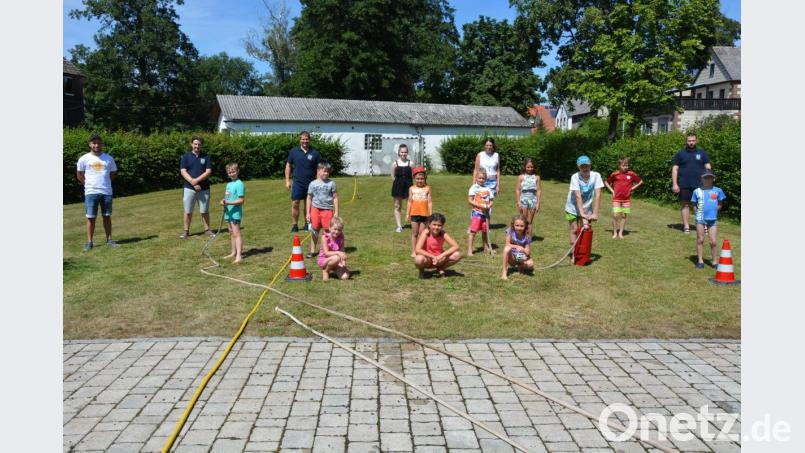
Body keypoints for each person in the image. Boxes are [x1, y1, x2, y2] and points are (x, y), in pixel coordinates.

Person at [76, 134, 119, 251]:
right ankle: (89, 242)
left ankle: (109, 240)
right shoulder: (84, 158)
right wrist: (88, 185)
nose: (96, 145)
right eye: (94, 143)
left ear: (102, 144)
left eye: (98, 143)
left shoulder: (109, 158)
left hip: (106, 192)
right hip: (91, 192)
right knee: (91, 218)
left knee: (107, 216)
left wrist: (105, 184)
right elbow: (79, 174)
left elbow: (113, 173)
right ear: (90, 144)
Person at [672, 132, 712, 234]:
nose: (691, 142)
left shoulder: (702, 153)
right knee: (685, 205)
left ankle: (704, 226)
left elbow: (708, 167)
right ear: (686, 141)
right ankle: (686, 226)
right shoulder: (680, 153)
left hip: (700, 185)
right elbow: (675, 169)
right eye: (689, 141)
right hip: (684, 184)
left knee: (700, 205)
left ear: (696, 141)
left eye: (693, 140)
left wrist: (708, 181)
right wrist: (675, 184)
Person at [286, 131, 322, 233]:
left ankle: (307, 224)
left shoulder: (315, 153)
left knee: (308, 204)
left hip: (311, 183)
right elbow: (288, 166)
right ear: (300, 140)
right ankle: (294, 225)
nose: (304, 141)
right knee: (295, 203)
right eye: (302, 139)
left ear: (309, 140)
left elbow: (319, 169)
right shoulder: (294, 151)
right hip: (297, 183)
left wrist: (319, 181)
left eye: (306, 139)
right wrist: (287, 180)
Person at [564, 155, 603, 249]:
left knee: (585, 229)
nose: (585, 168)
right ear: (578, 166)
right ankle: (574, 252)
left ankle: (582, 252)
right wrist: (581, 213)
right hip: (572, 207)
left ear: (590, 165)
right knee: (574, 229)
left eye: (587, 165)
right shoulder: (575, 177)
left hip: (586, 208)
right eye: (582, 166)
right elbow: (577, 195)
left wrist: (595, 213)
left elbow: (598, 194)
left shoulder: (596, 176)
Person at [691, 171, 726, 269]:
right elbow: (693, 204)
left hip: (712, 219)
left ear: (713, 179)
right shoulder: (696, 191)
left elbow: (720, 203)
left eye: (710, 178)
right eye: (705, 178)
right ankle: (700, 261)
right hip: (700, 218)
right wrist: (697, 213)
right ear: (702, 179)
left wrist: (715, 210)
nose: (707, 180)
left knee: (713, 241)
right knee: (700, 239)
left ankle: (715, 261)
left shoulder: (718, 190)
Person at [179, 136, 213, 239]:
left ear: (201, 145)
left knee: (204, 210)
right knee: (188, 210)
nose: (197, 146)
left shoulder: (206, 156)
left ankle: (207, 230)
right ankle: (186, 231)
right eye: (195, 144)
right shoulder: (186, 156)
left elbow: (208, 171)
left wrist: (197, 180)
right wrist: (192, 182)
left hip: (204, 188)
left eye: (199, 144)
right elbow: (183, 171)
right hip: (189, 188)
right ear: (191, 144)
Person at [306, 161, 339, 258]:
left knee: (328, 231)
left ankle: (328, 250)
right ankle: (312, 251)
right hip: (315, 209)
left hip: (327, 210)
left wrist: (336, 212)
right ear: (318, 171)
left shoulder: (331, 183)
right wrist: (308, 213)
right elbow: (309, 198)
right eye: (324, 171)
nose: (326, 173)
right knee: (314, 230)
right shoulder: (312, 184)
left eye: (328, 171)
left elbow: (335, 198)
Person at [604, 157, 643, 239]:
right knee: (615, 215)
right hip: (616, 198)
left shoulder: (631, 174)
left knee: (624, 216)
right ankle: (615, 232)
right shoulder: (615, 174)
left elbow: (640, 182)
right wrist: (612, 191)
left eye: (627, 165)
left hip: (626, 199)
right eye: (624, 165)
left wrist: (632, 188)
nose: (626, 167)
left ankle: (621, 233)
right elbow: (606, 182)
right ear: (619, 165)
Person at [414, 213, 462, 278]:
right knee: (418, 259)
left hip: (440, 259)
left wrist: (441, 256)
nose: (436, 227)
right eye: (434, 224)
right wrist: (433, 256)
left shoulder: (442, 233)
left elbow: (456, 246)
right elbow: (417, 249)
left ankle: (441, 268)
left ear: (442, 226)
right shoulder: (426, 232)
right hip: (427, 259)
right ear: (429, 224)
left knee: (457, 255)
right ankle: (422, 270)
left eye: (439, 225)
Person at [472, 137, 500, 226]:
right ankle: (474, 223)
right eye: (487, 145)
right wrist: (473, 183)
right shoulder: (480, 155)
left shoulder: (496, 155)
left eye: (490, 145)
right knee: (478, 202)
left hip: (492, 182)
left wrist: (498, 184)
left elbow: (498, 170)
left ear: (493, 146)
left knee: (488, 203)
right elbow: (476, 170)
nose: (489, 147)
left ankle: (486, 224)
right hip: (481, 181)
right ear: (484, 146)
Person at [221, 163, 245, 263]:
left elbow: (241, 200)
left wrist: (229, 202)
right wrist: (223, 201)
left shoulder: (239, 184)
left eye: (233, 172)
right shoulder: (229, 184)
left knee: (236, 233)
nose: (231, 174)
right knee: (231, 233)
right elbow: (227, 197)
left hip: (235, 213)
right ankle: (233, 252)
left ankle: (239, 256)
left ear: (237, 171)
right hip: (228, 212)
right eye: (229, 172)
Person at [406, 167, 432, 257]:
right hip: (414, 214)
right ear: (414, 179)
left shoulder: (427, 188)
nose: (420, 181)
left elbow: (429, 202)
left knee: (422, 234)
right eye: (417, 179)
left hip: (424, 214)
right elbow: (409, 201)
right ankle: (414, 251)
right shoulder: (411, 188)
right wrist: (407, 214)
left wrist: (430, 214)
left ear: (425, 179)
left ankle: (421, 250)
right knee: (414, 233)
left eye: (422, 179)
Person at [467, 169, 494, 256]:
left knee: (485, 231)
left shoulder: (488, 189)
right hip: (477, 214)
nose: (481, 180)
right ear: (476, 178)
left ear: (486, 179)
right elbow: (470, 200)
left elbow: (491, 200)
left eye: (483, 178)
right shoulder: (474, 187)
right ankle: (469, 250)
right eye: (480, 178)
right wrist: (480, 206)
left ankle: (486, 247)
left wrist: (489, 206)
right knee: (473, 231)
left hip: (486, 214)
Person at [501, 215, 534, 280]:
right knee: (507, 248)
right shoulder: (510, 231)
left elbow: (528, 252)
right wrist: (517, 246)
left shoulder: (527, 236)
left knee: (530, 264)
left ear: (525, 226)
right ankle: (504, 272)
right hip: (512, 257)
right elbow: (507, 244)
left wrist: (524, 250)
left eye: (522, 226)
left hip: (520, 257)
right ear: (513, 225)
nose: (519, 228)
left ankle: (520, 266)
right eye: (517, 225)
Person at [515, 157, 542, 237]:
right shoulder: (521, 177)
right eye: (528, 167)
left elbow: (539, 190)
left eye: (531, 167)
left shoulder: (537, 177)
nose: (530, 168)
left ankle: (528, 238)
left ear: (534, 167)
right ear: (525, 167)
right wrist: (518, 202)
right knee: (522, 220)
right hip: (523, 200)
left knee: (529, 221)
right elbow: (518, 190)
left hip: (533, 200)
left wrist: (538, 203)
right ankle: (521, 237)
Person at [390, 144, 413, 233]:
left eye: (405, 152)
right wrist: (397, 183)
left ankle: (412, 223)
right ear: (399, 153)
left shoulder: (411, 163)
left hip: (409, 186)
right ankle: (399, 226)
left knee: (410, 205)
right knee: (397, 206)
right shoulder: (394, 163)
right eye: (402, 152)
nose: (403, 154)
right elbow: (392, 176)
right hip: (398, 186)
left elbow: (413, 176)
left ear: (407, 153)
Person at [318, 216, 349, 280]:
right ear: (330, 228)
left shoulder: (341, 236)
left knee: (346, 276)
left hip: (336, 260)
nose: (337, 232)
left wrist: (343, 263)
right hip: (325, 260)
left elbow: (342, 250)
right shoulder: (325, 237)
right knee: (337, 257)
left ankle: (333, 268)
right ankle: (326, 270)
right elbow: (326, 253)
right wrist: (338, 253)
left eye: (339, 230)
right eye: (335, 229)